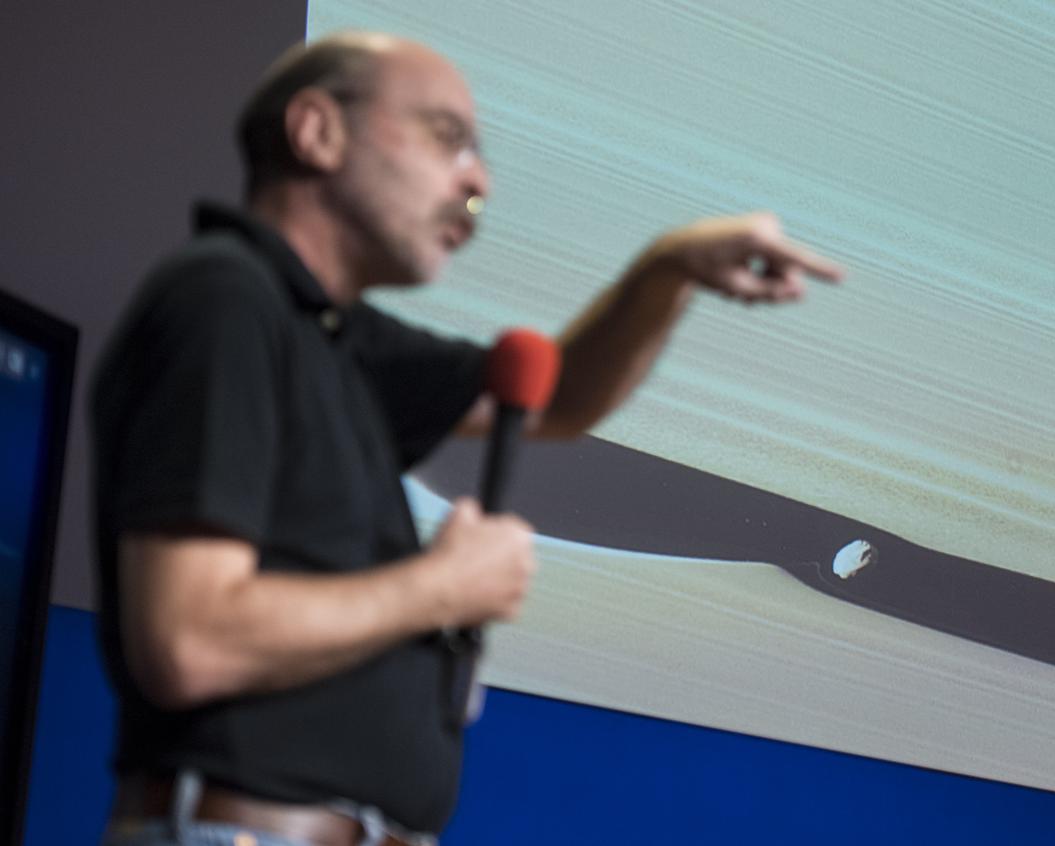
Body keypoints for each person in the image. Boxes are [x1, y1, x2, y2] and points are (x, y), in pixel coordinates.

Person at [92, 30, 842, 846]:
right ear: (316, 131)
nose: (478, 180)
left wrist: (668, 269)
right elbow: (188, 640)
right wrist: (442, 588)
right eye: (446, 137)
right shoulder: (226, 303)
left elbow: (557, 401)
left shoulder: (340, 340)